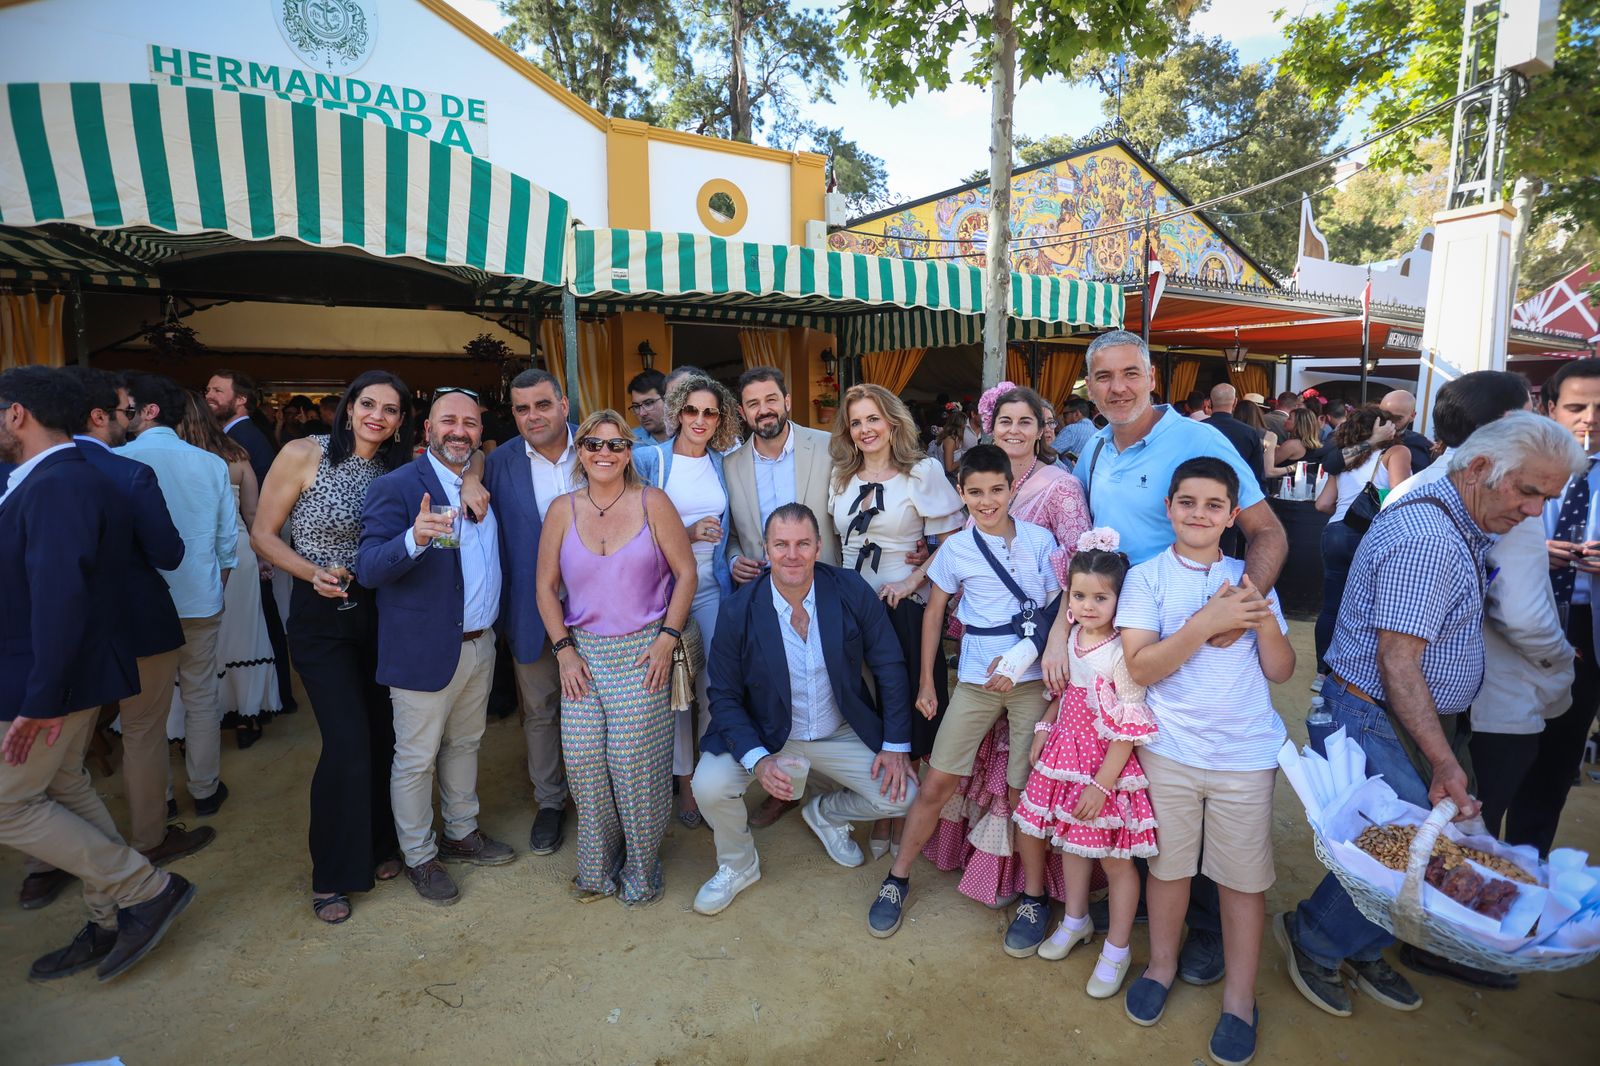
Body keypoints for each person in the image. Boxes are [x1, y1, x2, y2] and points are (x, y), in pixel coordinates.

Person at [1276, 413, 1581, 1016]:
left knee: (1408, 845)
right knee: (1398, 847)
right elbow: (1399, 662)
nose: (1533, 511)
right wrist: (1443, 758)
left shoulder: (1454, 516)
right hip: (1376, 712)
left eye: (1546, 498)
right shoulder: (1429, 537)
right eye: (1527, 492)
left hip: (1400, 713)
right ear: (1477, 470)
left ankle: (1360, 947)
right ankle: (1315, 938)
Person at [1041, 330, 1287, 990]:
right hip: (1133, 650)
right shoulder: (1093, 446)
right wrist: (1064, 632)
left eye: (1129, 374)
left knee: (1195, 789)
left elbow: (1266, 530)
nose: (1116, 387)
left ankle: (1203, 929)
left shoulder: (1197, 441)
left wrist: (1244, 605)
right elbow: (1090, 563)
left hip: (1200, 653)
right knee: (1148, 793)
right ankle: (1152, 921)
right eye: (1102, 377)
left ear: (1153, 378)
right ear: (1088, 386)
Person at [0, 366, 197, 983]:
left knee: (7, 805)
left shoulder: (59, 483)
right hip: (53, 670)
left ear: (16, 415)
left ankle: (142, 885)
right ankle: (108, 912)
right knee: (65, 787)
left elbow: (61, 596)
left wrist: (42, 695)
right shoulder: (39, 477)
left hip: (46, 677)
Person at [1116, 457, 1294, 1066]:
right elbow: (1140, 667)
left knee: (1242, 882)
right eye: (1187, 503)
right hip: (1170, 750)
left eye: (1213, 505)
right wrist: (1205, 622)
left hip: (1245, 755)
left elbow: (1281, 670)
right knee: (1168, 870)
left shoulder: (1251, 579)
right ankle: (1162, 965)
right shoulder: (1146, 578)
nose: (1199, 514)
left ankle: (1240, 999)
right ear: (1169, 509)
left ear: (1232, 515)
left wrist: (1258, 617)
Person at [868, 445, 1060, 940]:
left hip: (1031, 679)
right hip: (975, 679)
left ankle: (1035, 897)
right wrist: (930, 682)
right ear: (961, 493)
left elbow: (1058, 608)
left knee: (1024, 793)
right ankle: (898, 878)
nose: (987, 501)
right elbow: (934, 613)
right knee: (937, 781)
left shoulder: (1042, 541)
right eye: (975, 492)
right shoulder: (955, 549)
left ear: (1012, 487)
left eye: (997, 490)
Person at [689, 503, 916, 914]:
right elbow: (722, 695)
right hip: (767, 735)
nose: (791, 555)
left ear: (818, 547)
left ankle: (826, 813)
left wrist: (896, 745)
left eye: (802, 544)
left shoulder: (848, 589)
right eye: (781, 545)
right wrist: (757, 761)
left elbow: (889, 664)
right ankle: (738, 864)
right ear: (766, 548)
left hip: (837, 730)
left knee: (905, 796)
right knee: (708, 783)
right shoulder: (739, 609)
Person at [253, 370, 414, 924]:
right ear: (348, 408)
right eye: (367, 403)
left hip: (380, 611)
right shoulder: (304, 452)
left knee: (382, 735)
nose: (377, 415)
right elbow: (264, 534)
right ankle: (332, 874)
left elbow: (466, 459)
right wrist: (313, 572)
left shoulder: (399, 467)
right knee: (346, 740)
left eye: (390, 410)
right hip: (319, 614)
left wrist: (470, 480)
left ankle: (378, 845)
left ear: (399, 422)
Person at [921, 384, 1089, 907]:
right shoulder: (983, 486)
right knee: (975, 772)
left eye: (1025, 421)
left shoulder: (1059, 487)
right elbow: (955, 564)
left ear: (1043, 428)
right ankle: (983, 870)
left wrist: (1052, 641)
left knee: (1024, 780)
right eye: (1004, 420)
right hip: (983, 658)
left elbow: (1073, 571)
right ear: (990, 427)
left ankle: (1032, 887)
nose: (1014, 429)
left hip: (1039, 649)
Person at [357, 388, 517, 907]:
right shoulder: (398, 487)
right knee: (416, 759)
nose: (460, 431)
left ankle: (461, 832)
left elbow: (477, 463)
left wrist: (472, 473)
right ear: (425, 428)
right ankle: (419, 855)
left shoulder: (480, 476)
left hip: (480, 643)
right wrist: (414, 539)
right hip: (423, 649)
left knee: (466, 744)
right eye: (448, 421)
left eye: (470, 423)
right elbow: (369, 568)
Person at [1380, 372, 1551, 841]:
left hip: (1429, 710)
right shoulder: (1474, 506)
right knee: (1427, 842)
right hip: (1431, 713)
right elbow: (1398, 657)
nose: (1533, 511)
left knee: (1406, 835)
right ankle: (1317, 920)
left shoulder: (1421, 487)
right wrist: (1559, 680)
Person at [535, 409, 697, 906]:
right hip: (582, 656)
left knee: (634, 765)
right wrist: (563, 651)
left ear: (631, 452)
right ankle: (598, 865)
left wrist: (667, 639)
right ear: (579, 452)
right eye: (593, 444)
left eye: (616, 445)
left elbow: (686, 573)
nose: (604, 453)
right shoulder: (563, 508)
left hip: (643, 651)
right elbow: (544, 586)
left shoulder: (654, 502)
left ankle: (641, 870)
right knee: (583, 760)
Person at [1012, 537, 1157, 999]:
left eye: (1101, 597)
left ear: (1120, 598)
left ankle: (1117, 948)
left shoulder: (1121, 652)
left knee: (1115, 859)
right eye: (1079, 596)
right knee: (1072, 844)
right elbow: (1068, 694)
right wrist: (1042, 726)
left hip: (1103, 765)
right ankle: (1075, 920)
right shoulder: (1073, 637)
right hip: (1066, 754)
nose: (1089, 605)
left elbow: (1130, 724)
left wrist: (1102, 783)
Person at [829, 383, 965, 833]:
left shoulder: (922, 471)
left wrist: (912, 578)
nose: (866, 429)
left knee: (901, 699)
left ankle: (895, 810)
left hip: (901, 604)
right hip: (850, 604)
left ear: (891, 421)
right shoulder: (840, 476)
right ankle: (878, 803)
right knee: (863, 700)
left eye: (873, 419)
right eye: (856, 422)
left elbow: (952, 544)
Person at [121, 372, 238, 819]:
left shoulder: (119, 458)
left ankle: (159, 800)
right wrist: (216, 589)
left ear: (149, 410)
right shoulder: (210, 464)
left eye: (128, 407)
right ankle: (205, 790)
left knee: (144, 714)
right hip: (199, 598)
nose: (123, 415)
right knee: (201, 697)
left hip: (142, 602)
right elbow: (227, 543)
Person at [634, 374, 738, 828]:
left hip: (711, 587)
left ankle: (711, 779)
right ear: (677, 411)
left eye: (709, 412)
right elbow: (626, 523)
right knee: (672, 689)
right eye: (692, 410)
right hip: (659, 588)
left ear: (720, 419)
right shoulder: (648, 460)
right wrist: (686, 533)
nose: (699, 419)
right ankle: (683, 781)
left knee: (714, 685)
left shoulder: (724, 463)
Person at [481, 369, 573, 856]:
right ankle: (550, 802)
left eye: (542, 404)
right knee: (539, 711)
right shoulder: (499, 463)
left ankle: (600, 796)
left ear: (563, 403)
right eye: (521, 409)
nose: (533, 416)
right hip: (528, 610)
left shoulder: (601, 447)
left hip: (601, 612)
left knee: (601, 709)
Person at [1517, 358, 1600, 856]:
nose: (1590, 418)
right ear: (1550, 409)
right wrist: (1533, 552)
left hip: (1589, 636)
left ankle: (1529, 864)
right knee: (1497, 758)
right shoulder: (1520, 466)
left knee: (1555, 764)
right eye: (1576, 406)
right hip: (1522, 627)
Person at [173, 390, 281, 748]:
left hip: (192, 557)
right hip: (239, 552)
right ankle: (247, 715)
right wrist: (264, 557)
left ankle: (199, 717)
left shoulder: (178, 460)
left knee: (201, 641)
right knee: (244, 632)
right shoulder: (236, 455)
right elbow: (253, 515)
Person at [206, 369, 295, 716]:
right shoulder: (236, 436)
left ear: (240, 399)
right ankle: (272, 697)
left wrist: (262, 550)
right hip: (250, 542)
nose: (209, 395)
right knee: (261, 620)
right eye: (208, 389)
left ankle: (272, 698)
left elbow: (258, 505)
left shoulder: (244, 437)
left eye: (217, 390)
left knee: (262, 621)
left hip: (251, 542)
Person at [1311, 405, 1412, 686]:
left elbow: (1322, 504)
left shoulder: (1345, 460)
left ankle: (1322, 673)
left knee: (1331, 606)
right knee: (1371, 607)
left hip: (1335, 532)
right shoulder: (1396, 453)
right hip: (1370, 535)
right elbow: (1399, 495)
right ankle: (1357, 673)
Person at [725, 365, 840, 582]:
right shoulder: (730, 466)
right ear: (742, 412)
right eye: (753, 404)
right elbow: (731, 534)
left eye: (771, 399)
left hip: (823, 580)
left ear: (786, 401)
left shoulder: (828, 447)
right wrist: (734, 558)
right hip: (760, 586)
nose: (764, 410)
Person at [1204, 384, 1266, 497]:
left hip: (1202, 490)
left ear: (1209, 402)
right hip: (1238, 493)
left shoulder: (1198, 428)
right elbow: (1257, 473)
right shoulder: (1249, 432)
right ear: (1235, 402)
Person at [1379, 389, 1434, 474]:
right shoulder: (1362, 435)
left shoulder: (1418, 443)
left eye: (1397, 418)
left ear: (1412, 416)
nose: (1389, 421)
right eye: (1384, 415)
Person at [1267, 409, 1323, 488]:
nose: (1285, 420)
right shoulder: (1308, 444)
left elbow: (1266, 464)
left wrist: (1270, 445)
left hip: (1282, 487)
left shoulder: (1292, 444)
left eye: (1289, 418)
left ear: (1299, 424)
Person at [1052, 396, 1097, 473]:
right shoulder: (1098, 432)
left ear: (1076, 414)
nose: (1063, 419)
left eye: (1065, 415)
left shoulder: (1070, 429)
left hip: (1070, 479)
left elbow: (1050, 452)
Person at [627, 369, 670, 445]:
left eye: (648, 403)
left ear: (667, 400)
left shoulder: (689, 437)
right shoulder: (629, 441)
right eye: (636, 406)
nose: (642, 413)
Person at [932, 401, 968, 476]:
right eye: (965, 424)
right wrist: (964, 459)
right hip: (948, 478)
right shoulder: (950, 441)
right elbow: (949, 468)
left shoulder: (955, 438)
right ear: (960, 425)